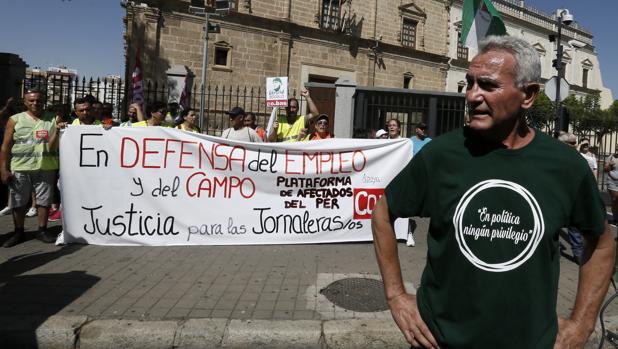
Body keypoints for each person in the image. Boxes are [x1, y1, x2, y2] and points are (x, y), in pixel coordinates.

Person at [371, 36, 615, 349]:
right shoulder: (442, 155)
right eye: (469, 83)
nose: (472, 95)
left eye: (488, 85)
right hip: (439, 340)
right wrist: (395, 296)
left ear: (528, 95)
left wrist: (582, 324)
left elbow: (602, 242)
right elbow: (382, 210)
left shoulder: (565, 166)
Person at [1, 90, 62, 247]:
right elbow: (5, 147)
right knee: (18, 202)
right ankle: (18, 232)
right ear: (25, 102)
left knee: (44, 201)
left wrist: (58, 128)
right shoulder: (15, 120)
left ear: (44, 101)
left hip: (45, 167)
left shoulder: (53, 119)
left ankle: (42, 230)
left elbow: (56, 143)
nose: (35, 103)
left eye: (39, 100)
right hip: (20, 167)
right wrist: (3, 169)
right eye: (32, 100)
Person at [406, 122, 433, 247]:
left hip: (426, 171)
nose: (423, 130)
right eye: (421, 128)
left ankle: (423, 210)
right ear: (416, 130)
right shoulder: (410, 141)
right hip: (413, 171)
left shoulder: (429, 141)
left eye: (425, 128)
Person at [605, 144, 618, 225]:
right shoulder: (611, 157)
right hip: (612, 182)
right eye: (617, 146)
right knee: (615, 200)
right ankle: (616, 219)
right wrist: (610, 164)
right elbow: (605, 169)